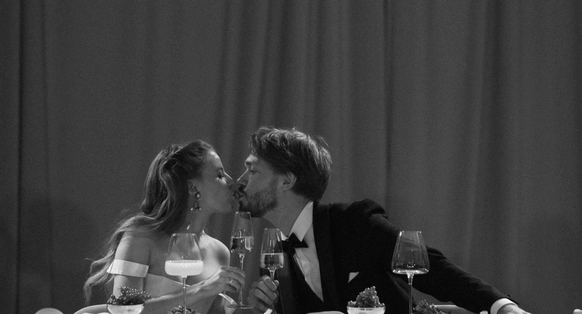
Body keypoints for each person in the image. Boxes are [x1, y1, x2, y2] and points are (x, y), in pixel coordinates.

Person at [236, 127, 534, 314]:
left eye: (253, 170)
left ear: (287, 181)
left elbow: (433, 268)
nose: (241, 180)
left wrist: (502, 307)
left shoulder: (355, 223)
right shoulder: (275, 252)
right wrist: (266, 308)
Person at [84, 140, 246, 314]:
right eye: (220, 175)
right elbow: (124, 311)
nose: (231, 181)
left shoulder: (220, 252)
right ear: (192, 187)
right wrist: (203, 289)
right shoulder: (141, 238)